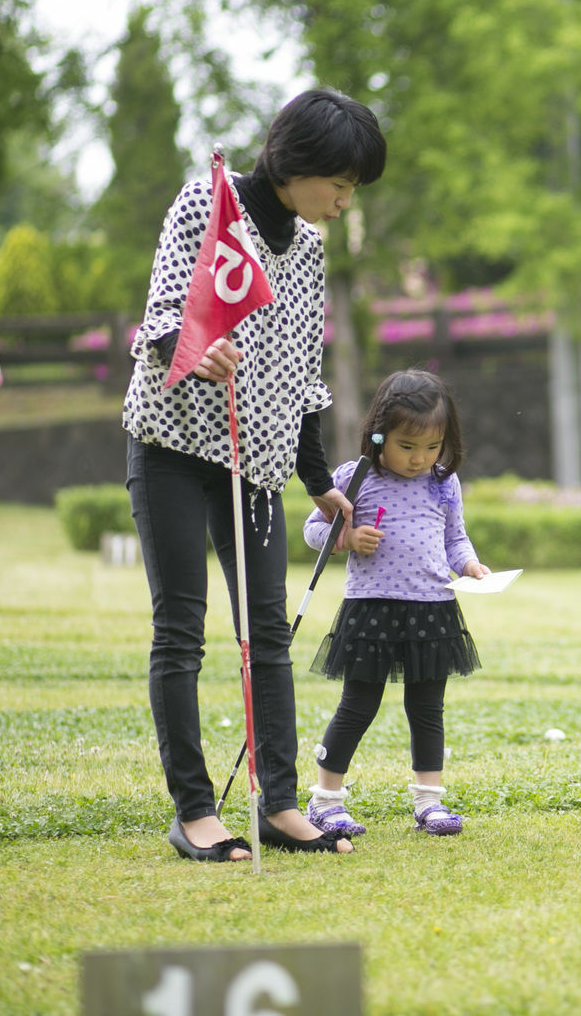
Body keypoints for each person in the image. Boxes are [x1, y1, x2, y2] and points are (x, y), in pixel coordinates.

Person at [123, 88, 386, 860]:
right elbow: (161, 314)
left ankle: (277, 803)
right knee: (180, 630)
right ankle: (195, 811)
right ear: (300, 163)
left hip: (256, 462)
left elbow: (304, 375)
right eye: (339, 184)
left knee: (266, 633)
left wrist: (317, 481)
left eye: (352, 189)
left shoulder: (307, 248)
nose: (342, 201)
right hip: (172, 442)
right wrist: (191, 348)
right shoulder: (207, 204)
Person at [300, 369, 490, 840]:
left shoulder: (444, 482)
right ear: (379, 434)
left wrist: (469, 566)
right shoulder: (354, 476)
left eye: (432, 447)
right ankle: (325, 802)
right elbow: (312, 531)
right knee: (357, 705)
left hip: (432, 609)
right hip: (372, 609)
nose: (420, 458)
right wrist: (346, 537)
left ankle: (429, 801)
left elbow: (454, 538)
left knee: (428, 708)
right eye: (407, 446)